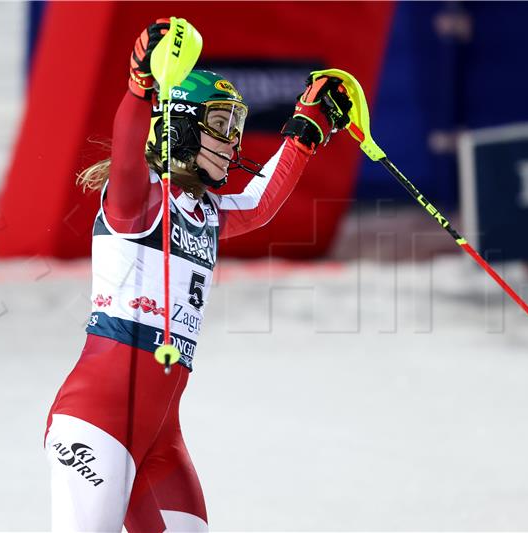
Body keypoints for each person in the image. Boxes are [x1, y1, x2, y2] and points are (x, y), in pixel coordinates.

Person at [44, 18, 352, 532]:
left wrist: (304, 130)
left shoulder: (205, 212)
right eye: (222, 125)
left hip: (162, 435)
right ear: (183, 127)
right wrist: (141, 87)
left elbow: (258, 204)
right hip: (96, 420)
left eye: (236, 125)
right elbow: (125, 156)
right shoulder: (138, 202)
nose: (234, 142)